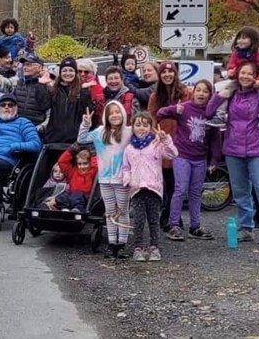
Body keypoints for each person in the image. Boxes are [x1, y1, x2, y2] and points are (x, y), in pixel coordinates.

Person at [208, 61, 259, 248]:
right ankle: (246, 228)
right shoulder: (231, 92)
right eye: (243, 72)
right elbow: (210, 111)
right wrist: (220, 95)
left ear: (256, 76)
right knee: (241, 193)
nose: (246, 76)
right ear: (237, 74)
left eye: (250, 73)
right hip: (233, 149)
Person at [157, 79, 218, 241]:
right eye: (198, 90)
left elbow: (215, 139)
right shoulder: (184, 108)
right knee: (180, 189)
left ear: (210, 95)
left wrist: (214, 160)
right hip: (182, 155)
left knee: (196, 192)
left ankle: (195, 226)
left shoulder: (211, 113)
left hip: (200, 159)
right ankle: (173, 224)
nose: (201, 93)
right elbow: (160, 113)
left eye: (205, 91)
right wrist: (173, 109)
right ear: (193, 92)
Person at [121, 112, 178, 262]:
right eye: (138, 125)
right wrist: (128, 180)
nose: (141, 128)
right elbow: (125, 167)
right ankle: (138, 248)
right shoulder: (129, 148)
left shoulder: (157, 144)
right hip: (137, 189)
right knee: (139, 220)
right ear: (132, 127)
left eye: (145, 125)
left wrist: (166, 139)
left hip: (154, 188)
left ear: (151, 127)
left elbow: (173, 154)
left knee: (154, 220)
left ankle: (154, 247)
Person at [78, 102, 132, 259]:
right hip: (105, 179)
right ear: (106, 117)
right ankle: (111, 243)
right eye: (111, 113)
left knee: (122, 211)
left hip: (122, 179)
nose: (115, 115)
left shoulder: (128, 132)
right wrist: (85, 124)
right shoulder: (100, 132)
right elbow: (82, 139)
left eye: (118, 112)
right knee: (109, 212)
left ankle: (122, 244)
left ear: (122, 114)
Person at [147, 60, 191, 231]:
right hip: (162, 143)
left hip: (180, 142)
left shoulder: (185, 93)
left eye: (170, 72)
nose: (167, 75)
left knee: (177, 183)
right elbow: (151, 119)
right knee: (165, 183)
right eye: (164, 72)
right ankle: (168, 215)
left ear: (175, 74)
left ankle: (173, 216)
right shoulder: (155, 96)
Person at [210, 26, 259, 130]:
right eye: (239, 38)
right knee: (224, 89)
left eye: (244, 38)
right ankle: (220, 115)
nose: (240, 41)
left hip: (255, 80)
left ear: (253, 40)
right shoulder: (236, 53)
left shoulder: (258, 54)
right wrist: (231, 72)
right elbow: (231, 67)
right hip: (239, 80)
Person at [0, 52, 51, 128]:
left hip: (36, 132)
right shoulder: (16, 82)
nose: (24, 67)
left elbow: (50, 114)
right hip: (16, 130)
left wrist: (38, 129)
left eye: (28, 65)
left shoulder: (48, 85)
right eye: (24, 65)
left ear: (39, 68)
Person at [45, 57, 93, 144]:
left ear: (75, 73)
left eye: (71, 70)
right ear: (60, 73)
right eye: (64, 70)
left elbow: (87, 112)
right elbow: (43, 105)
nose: (68, 73)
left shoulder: (82, 90)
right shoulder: (53, 90)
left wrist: (85, 93)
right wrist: (41, 86)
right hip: (53, 139)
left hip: (74, 140)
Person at [51, 145, 98, 212]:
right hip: (71, 195)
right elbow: (62, 162)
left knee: (77, 195)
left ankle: (77, 210)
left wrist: (93, 154)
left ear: (90, 163)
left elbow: (95, 165)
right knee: (63, 196)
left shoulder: (92, 172)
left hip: (85, 198)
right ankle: (65, 209)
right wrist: (70, 151)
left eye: (85, 163)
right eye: (79, 164)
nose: (82, 166)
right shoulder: (73, 171)